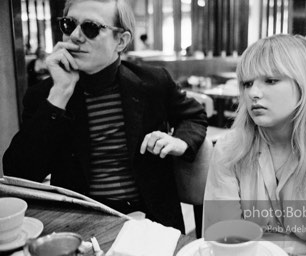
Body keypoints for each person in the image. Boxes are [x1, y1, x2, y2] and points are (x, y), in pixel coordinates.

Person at [3, 0, 207, 233]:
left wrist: (180, 141)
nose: (76, 36)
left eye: (90, 27)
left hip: (150, 218)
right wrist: (60, 95)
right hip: (80, 221)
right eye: (69, 25)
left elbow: (194, 116)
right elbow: (18, 173)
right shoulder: (45, 95)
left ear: (121, 41)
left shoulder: (153, 82)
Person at [203, 34, 306, 255]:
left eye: (270, 80)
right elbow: (224, 238)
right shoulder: (228, 150)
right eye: (247, 83)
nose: (253, 93)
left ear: (305, 85)